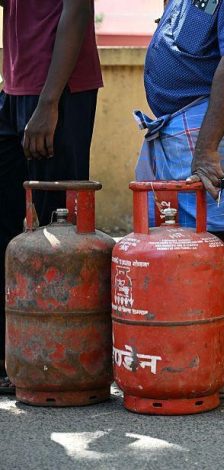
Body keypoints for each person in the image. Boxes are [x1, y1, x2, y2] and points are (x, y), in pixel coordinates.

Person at [135, 0, 224, 397]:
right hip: (185, 119)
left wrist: (206, 149)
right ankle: (186, 355)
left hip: (220, 118)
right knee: (176, 239)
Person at [0, 0, 103, 394]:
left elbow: (78, 10)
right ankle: (13, 355)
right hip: (15, 88)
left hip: (58, 94)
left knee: (55, 234)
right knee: (7, 227)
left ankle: (57, 361)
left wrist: (48, 103)